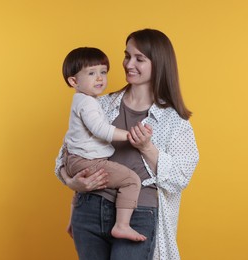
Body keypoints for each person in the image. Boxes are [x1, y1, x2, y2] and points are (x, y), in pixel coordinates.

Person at [55, 29, 199, 260]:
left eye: (139, 59)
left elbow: (179, 179)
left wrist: (147, 147)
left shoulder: (174, 121)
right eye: (127, 56)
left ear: (158, 64)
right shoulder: (99, 103)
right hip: (90, 208)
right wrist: (73, 182)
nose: (128, 64)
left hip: (139, 214)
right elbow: (64, 155)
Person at [61, 47, 147, 242]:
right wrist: (129, 135)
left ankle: (73, 221)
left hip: (74, 159)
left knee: (83, 187)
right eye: (91, 73)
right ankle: (122, 225)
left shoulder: (82, 100)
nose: (99, 78)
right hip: (85, 160)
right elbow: (100, 129)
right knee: (132, 180)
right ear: (73, 81)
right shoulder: (89, 103)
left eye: (103, 72)